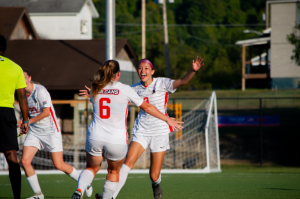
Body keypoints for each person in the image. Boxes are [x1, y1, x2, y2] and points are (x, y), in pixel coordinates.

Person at [72, 60, 183, 199]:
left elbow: (106, 98)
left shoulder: (96, 87)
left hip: (100, 135)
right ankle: (110, 197)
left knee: (92, 168)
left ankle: (80, 190)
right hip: (127, 135)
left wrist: (91, 94)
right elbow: (147, 107)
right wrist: (167, 119)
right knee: (118, 169)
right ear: (118, 74)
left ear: (152, 71)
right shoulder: (127, 89)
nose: (142, 71)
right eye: (140, 68)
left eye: (146, 68)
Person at [18, 70, 93, 199]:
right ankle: (38, 194)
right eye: (20, 78)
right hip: (35, 132)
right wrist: (25, 126)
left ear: (30, 78)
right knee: (25, 161)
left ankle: (85, 182)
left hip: (51, 131)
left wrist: (27, 121)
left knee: (59, 165)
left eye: (25, 77)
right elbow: (29, 115)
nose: (23, 80)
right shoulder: (22, 95)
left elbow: (46, 112)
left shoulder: (40, 91)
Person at [0, 34, 29, 199]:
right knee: (11, 156)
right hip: (6, 112)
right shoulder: (15, 67)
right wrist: (25, 120)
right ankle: (16, 197)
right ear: (4, 48)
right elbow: (22, 97)